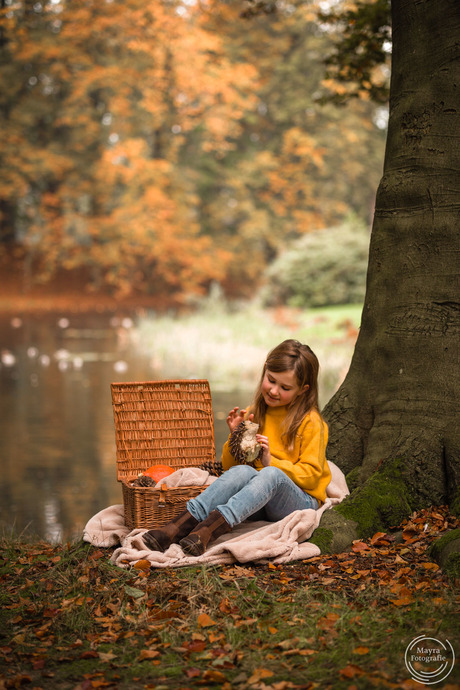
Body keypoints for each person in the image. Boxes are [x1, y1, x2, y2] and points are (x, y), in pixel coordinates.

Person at [143, 339, 331, 556]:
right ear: (264, 371)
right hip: (258, 498)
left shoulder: (311, 422)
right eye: (271, 380)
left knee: (271, 474)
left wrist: (273, 463)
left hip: (299, 499)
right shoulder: (256, 412)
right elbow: (229, 467)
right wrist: (235, 438)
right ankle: (177, 526)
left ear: (302, 390)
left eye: (285, 387)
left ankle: (208, 531)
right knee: (243, 471)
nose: (274, 390)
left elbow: (312, 476)